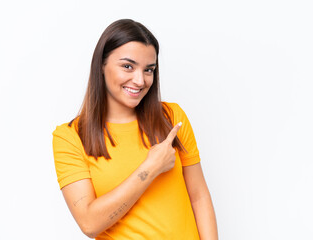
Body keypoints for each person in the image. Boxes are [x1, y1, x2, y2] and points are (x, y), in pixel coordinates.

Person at [52, 19, 218, 240]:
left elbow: (199, 196)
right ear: (101, 64)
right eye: (128, 66)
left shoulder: (172, 118)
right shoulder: (70, 138)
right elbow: (90, 224)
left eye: (148, 70)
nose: (140, 80)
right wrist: (151, 168)